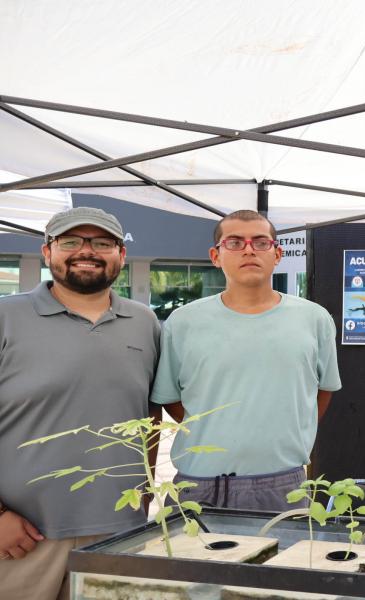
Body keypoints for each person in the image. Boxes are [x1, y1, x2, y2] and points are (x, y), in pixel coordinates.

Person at [0, 207, 160, 599]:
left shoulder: (145, 323)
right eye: (71, 241)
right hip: (22, 538)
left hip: (120, 534)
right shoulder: (5, 316)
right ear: (47, 252)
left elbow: (149, 413)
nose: (86, 251)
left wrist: (146, 489)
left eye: (102, 243)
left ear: (121, 255)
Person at [151, 210, 341, 511]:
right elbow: (170, 398)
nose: (249, 249)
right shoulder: (182, 322)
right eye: (235, 242)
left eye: (260, 242)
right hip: (199, 484)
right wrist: (215, 428)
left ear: (277, 254)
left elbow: (323, 390)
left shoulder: (313, 319)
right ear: (216, 255)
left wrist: (287, 431)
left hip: (283, 484)